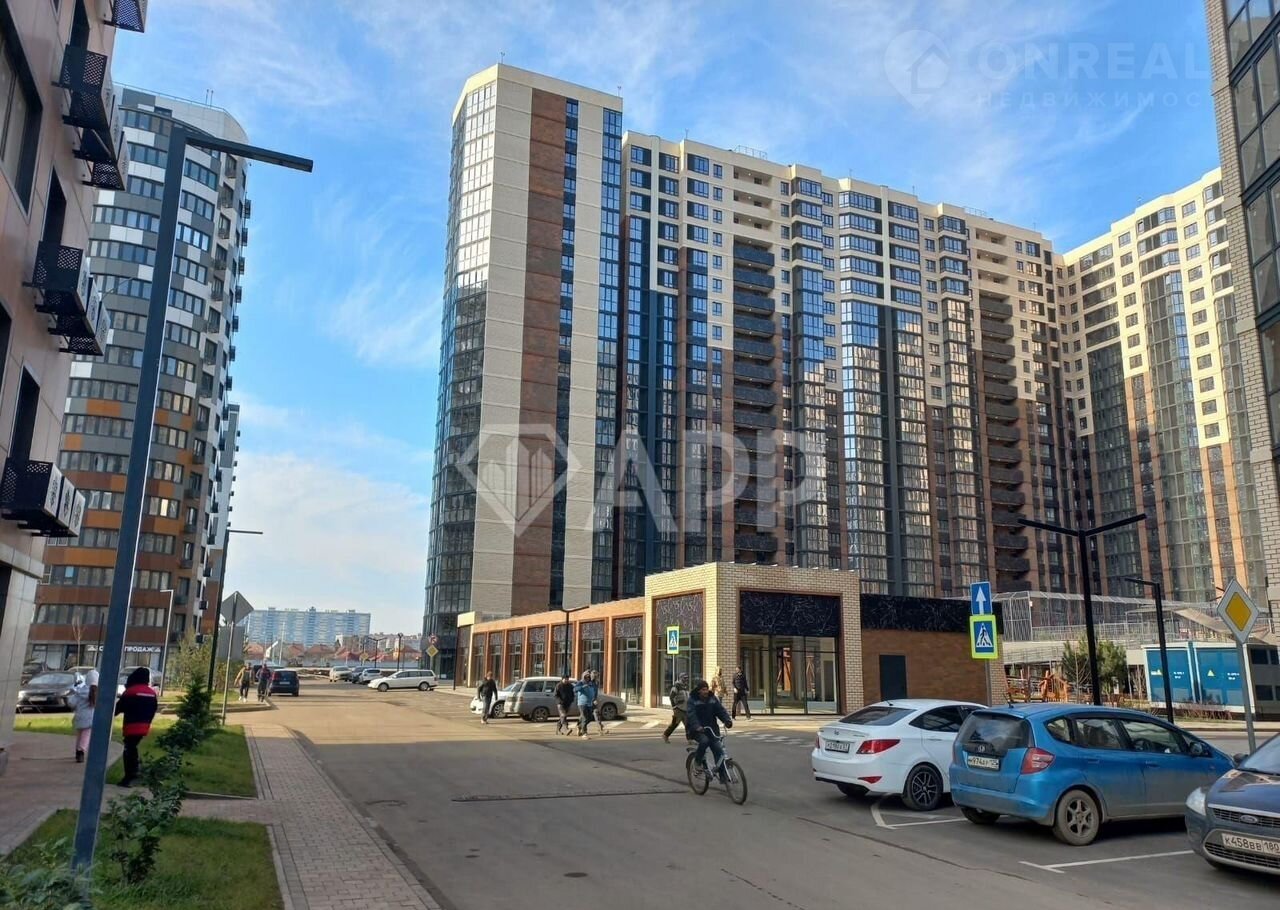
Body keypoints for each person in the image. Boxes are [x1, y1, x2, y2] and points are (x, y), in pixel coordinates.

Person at [114, 667, 158, 787]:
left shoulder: (130, 691)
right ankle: (136, 770)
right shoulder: (151, 693)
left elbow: (118, 708)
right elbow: (154, 708)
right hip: (145, 725)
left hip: (131, 725)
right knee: (132, 746)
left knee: (129, 749)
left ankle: (130, 775)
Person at [685, 678, 733, 782]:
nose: (706, 691)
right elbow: (691, 715)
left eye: (706, 689)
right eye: (703, 689)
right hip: (696, 730)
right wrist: (697, 726)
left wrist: (727, 720)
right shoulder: (692, 700)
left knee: (718, 750)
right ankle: (697, 762)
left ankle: (723, 776)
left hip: (711, 728)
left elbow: (720, 710)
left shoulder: (712, 698)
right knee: (704, 741)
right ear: (698, 690)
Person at [69, 667, 98, 763]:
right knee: (86, 736)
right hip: (90, 719)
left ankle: (77, 751)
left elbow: (71, 703)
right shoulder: (97, 692)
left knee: (79, 735)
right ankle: (81, 751)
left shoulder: (80, 691)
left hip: (79, 717)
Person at [663, 673, 689, 743]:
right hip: (678, 709)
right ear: (680, 678)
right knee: (675, 723)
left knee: (688, 724)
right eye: (684, 678)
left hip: (685, 708)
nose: (686, 679)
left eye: (687, 678)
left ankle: (690, 739)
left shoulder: (685, 686)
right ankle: (665, 735)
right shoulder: (676, 686)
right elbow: (671, 697)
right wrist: (674, 707)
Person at [573, 672, 599, 738]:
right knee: (584, 717)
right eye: (586, 677)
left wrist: (594, 699)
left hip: (589, 703)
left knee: (590, 718)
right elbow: (575, 689)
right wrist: (582, 687)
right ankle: (584, 733)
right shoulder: (581, 682)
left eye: (588, 677)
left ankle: (579, 726)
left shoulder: (591, 683)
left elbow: (593, 692)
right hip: (582, 703)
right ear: (584, 677)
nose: (587, 678)